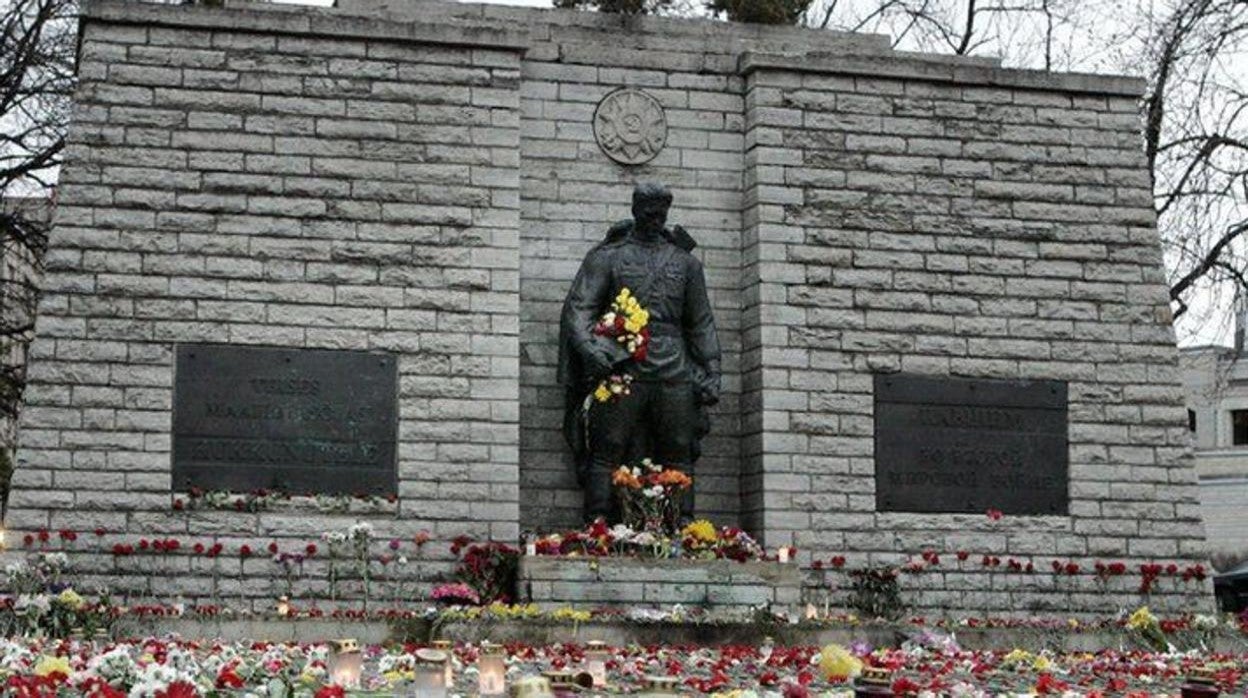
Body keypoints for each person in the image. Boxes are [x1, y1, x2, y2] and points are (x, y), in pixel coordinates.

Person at [557, 183, 722, 522]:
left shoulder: (686, 265)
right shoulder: (609, 257)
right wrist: (590, 349)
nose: (654, 217)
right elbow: (580, 308)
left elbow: (700, 322)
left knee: (678, 448)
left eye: (660, 212)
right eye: (648, 211)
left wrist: (711, 370)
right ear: (635, 210)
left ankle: (681, 527)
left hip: (674, 367)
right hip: (623, 366)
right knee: (607, 448)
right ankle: (599, 526)